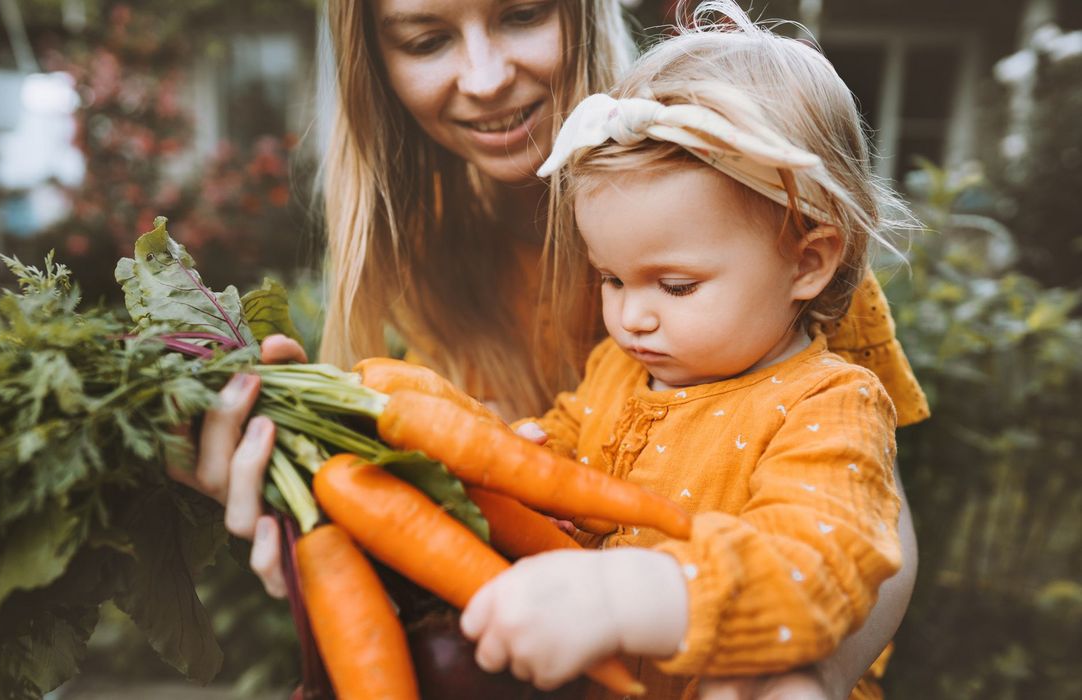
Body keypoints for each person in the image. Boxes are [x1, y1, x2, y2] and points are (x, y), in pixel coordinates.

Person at [173, 0, 930, 696]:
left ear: (809, 262)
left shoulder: (771, 231)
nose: (629, 319)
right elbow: (529, 471)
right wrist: (359, 482)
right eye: (428, 38)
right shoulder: (604, 358)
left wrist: (793, 672)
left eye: (523, 12)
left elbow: (847, 541)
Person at [458, 3, 913, 696]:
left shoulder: (829, 405)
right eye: (610, 278)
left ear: (807, 261)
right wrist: (518, 461)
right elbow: (563, 443)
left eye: (675, 284)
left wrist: (631, 595)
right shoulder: (619, 370)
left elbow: (822, 566)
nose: (631, 316)